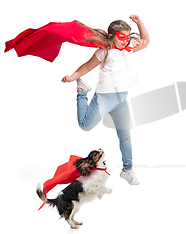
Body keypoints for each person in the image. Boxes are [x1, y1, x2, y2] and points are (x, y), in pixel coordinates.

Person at [61, 15, 150, 185]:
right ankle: (82, 91)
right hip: (104, 98)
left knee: (125, 136)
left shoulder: (130, 47)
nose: (125, 41)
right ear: (111, 36)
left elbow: (146, 40)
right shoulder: (104, 52)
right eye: (121, 37)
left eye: (127, 36)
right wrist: (73, 77)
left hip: (121, 99)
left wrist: (139, 23)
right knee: (85, 125)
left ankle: (127, 170)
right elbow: (87, 66)